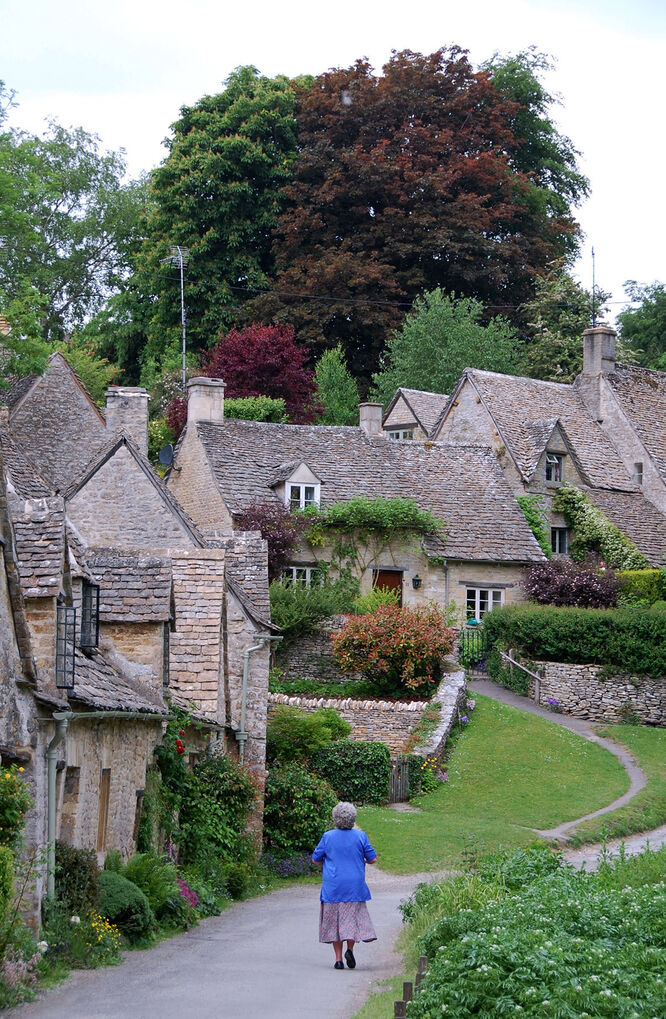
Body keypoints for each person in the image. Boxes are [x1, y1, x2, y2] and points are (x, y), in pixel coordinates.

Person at [312, 801, 378, 970]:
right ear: (353, 818)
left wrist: (327, 862)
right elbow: (373, 859)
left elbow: (315, 859)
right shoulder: (360, 836)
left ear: (335, 817)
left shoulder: (328, 837)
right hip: (354, 886)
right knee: (351, 921)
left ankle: (338, 959)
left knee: (335, 923)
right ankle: (350, 949)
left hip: (333, 887)